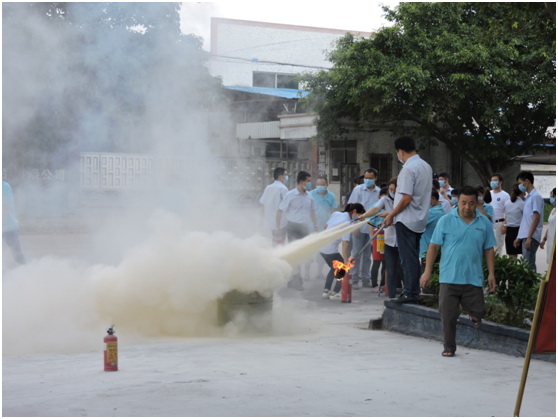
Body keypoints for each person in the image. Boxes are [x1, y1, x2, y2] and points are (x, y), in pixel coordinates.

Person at [420, 185, 496, 357]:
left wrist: (491, 274)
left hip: (473, 277)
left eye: (471, 203)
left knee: (478, 311)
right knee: (448, 316)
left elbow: (489, 248)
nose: (467, 207)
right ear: (457, 202)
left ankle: (473, 315)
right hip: (449, 277)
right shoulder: (445, 220)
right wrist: (427, 271)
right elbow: (433, 247)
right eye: (463, 203)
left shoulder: (484, 222)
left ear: (477, 203)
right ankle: (449, 347)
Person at [383, 136, 433, 304]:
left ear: (401, 151)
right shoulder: (426, 166)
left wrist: (391, 214)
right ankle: (413, 291)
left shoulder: (408, 169)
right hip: (419, 220)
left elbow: (406, 198)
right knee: (413, 256)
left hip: (406, 220)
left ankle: (410, 293)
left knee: (408, 258)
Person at [277, 171, 318, 290]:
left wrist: (315, 226)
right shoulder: (290, 195)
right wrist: (279, 227)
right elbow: (280, 211)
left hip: (304, 227)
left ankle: (296, 279)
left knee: (304, 253)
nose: (310, 184)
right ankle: (295, 281)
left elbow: (312, 212)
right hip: (292, 227)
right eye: (308, 181)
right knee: (295, 253)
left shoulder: (309, 196)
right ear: (301, 182)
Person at [360, 178, 401, 297]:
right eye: (391, 189)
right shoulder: (385, 199)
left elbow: (404, 216)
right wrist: (365, 215)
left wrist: (389, 215)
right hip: (389, 240)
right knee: (390, 268)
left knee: (402, 268)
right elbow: (376, 209)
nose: (392, 191)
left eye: (395, 189)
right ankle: (391, 294)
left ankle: (407, 292)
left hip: (403, 239)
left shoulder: (404, 200)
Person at [320, 203, 366, 300]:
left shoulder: (336, 213)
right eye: (359, 215)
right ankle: (334, 293)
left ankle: (326, 291)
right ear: (354, 211)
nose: (359, 217)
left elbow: (325, 226)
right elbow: (345, 244)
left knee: (334, 269)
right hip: (330, 250)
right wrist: (345, 261)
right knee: (343, 269)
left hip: (322, 247)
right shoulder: (347, 223)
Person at [348, 168, 381, 289]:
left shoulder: (378, 192)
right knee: (356, 253)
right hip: (359, 227)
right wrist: (354, 226)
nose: (367, 180)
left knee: (368, 255)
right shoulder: (358, 190)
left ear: (375, 178)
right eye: (366, 178)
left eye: (370, 178)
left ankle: (366, 279)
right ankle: (355, 278)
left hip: (372, 227)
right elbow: (352, 209)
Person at [513, 171, 544, 272]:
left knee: (528, 266)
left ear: (527, 181)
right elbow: (526, 220)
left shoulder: (535, 197)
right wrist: (519, 237)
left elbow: (536, 218)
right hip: (525, 235)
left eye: (520, 183)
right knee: (526, 265)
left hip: (530, 236)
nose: (519, 186)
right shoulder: (528, 197)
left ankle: (532, 286)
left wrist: (529, 237)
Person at [259, 167, 289, 246]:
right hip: (281, 223)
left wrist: (262, 221)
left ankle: (272, 256)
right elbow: (287, 206)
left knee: (274, 242)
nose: (287, 177)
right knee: (280, 243)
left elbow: (262, 205)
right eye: (286, 175)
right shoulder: (283, 189)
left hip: (270, 222)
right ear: (280, 176)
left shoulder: (268, 188)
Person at [3, 180, 26, 265]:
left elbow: (4, 208)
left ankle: (26, 271)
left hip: (9, 227)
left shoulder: (4, 187)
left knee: (17, 254)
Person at [419, 188, 446, 261]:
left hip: (427, 251)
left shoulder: (432, 213)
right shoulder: (441, 210)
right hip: (436, 250)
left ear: (433, 199)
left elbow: (415, 222)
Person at [489, 173, 510, 256]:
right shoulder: (489, 193)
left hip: (499, 223)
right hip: (489, 222)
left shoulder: (505, 195)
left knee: (497, 246)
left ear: (500, 182)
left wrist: (505, 225)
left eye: (495, 180)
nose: (493, 182)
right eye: (492, 181)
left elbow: (508, 212)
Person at [502, 183, 525, 259]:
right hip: (520, 230)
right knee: (525, 255)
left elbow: (506, 217)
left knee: (512, 257)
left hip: (509, 231)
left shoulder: (507, 203)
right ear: (522, 192)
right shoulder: (522, 203)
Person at [540, 188, 556, 266]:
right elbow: (550, 226)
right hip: (550, 241)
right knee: (550, 264)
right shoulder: (553, 209)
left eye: (552, 196)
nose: (551, 198)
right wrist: (544, 239)